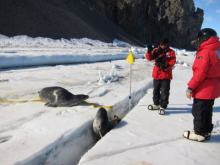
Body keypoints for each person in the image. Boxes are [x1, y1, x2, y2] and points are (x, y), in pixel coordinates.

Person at [183, 28, 220, 142]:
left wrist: (190, 87)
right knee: (207, 110)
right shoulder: (217, 50)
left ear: (205, 38)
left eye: (200, 38)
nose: (198, 41)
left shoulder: (205, 52)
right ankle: (206, 131)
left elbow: (200, 73)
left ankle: (199, 133)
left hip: (204, 88)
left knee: (199, 111)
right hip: (214, 87)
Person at [145, 38, 176, 115]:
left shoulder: (171, 52)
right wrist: (149, 52)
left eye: (164, 44)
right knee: (156, 90)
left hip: (166, 75)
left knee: (164, 91)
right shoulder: (156, 51)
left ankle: (163, 106)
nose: (163, 46)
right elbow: (149, 58)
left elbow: (173, 61)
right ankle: (156, 104)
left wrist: (166, 66)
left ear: (167, 44)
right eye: (162, 44)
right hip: (157, 74)